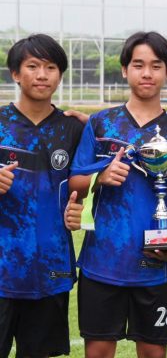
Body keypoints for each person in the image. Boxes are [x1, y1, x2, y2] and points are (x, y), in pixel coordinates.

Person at [69, 31, 167, 358]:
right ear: (124, 70)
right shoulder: (101, 124)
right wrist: (100, 177)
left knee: (154, 353)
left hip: (155, 268)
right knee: (98, 352)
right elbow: (74, 182)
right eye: (138, 65)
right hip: (102, 263)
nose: (147, 73)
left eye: (156, 66)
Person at [0, 34, 84, 358]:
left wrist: (80, 209)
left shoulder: (73, 129)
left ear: (60, 75)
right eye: (32, 66)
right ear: (15, 73)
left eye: (51, 67)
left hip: (51, 268)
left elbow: (85, 184)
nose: (42, 75)